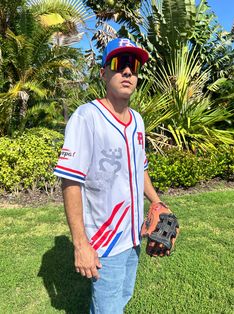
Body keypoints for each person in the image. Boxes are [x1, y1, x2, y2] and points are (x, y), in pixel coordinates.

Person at [54, 37, 174, 314]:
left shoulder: (138, 120)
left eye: (133, 65)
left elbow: (139, 167)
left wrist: (157, 202)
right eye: (120, 64)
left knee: (123, 296)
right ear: (104, 72)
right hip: (105, 240)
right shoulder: (87, 117)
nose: (128, 72)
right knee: (108, 308)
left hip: (133, 235)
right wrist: (81, 245)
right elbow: (70, 181)